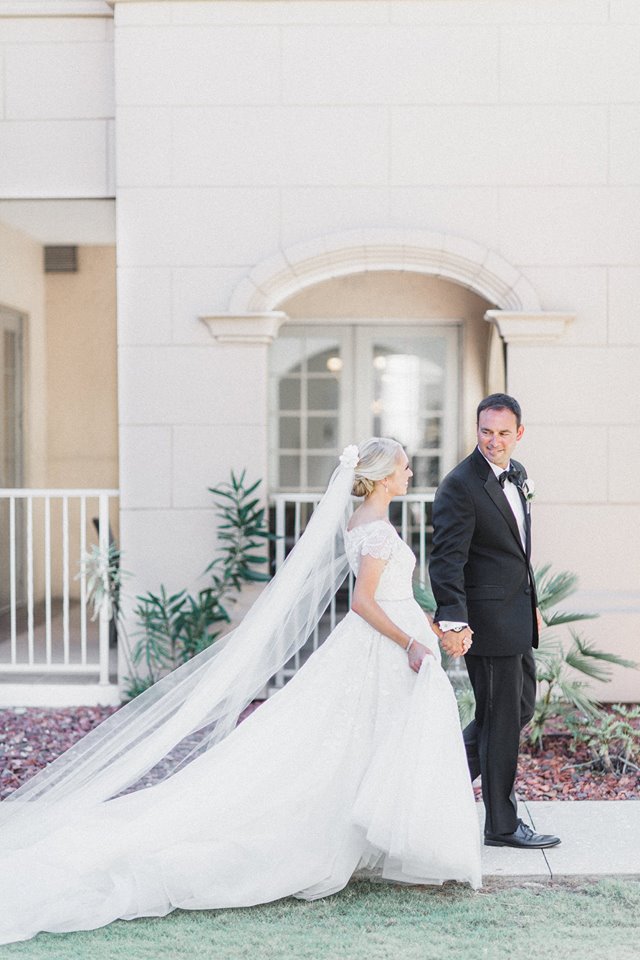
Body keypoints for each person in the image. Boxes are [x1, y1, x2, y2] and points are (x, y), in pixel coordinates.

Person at [0, 438, 481, 945]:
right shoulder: (377, 532)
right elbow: (364, 601)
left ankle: (379, 837)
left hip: (390, 645)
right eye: (405, 468)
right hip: (383, 648)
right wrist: (412, 641)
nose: (410, 475)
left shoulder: (367, 523)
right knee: (355, 741)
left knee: (364, 741)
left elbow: (394, 597)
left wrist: (435, 628)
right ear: (385, 476)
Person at [429, 394, 560, 849]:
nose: (494, 441)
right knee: (501, 722)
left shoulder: (517, 475)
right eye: (486, 431)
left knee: (515, 711)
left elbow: (515, 552)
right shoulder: (460, 485)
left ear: (518, 434)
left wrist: (532, 603)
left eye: (504, 433)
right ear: (477, 428)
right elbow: (446, 561)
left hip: (517, 617)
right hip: (485, 624)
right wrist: (454, 621)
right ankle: (502, 825)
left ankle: (432, 788)